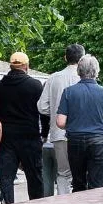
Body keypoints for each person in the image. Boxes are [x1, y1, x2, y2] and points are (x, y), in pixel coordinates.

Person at [57, 55, 103, 191]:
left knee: (78, 182)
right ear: (97, 71)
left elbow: (60, 122)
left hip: (75, 141)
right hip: (99, 141)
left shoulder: (68, 92)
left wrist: (74, 124)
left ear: (79, 71)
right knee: (97, 184)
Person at [0, 52, 45, 203]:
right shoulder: (35, 85)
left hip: (7, 138)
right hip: (30, 136)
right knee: (34, 176)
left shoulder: (0, 86)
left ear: (10, 66)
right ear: (26, 66)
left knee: (6, 177)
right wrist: (44, 132)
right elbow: (43, 111)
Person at [38, 43, 84, 195]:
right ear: (82, 59)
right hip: (81, 131)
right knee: (82, 171)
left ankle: (63, 202)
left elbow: (42, 106)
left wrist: (55, 112)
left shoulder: (53, 78)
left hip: (58, 132)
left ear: (65, 57)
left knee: (63, 173)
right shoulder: (84, 78)